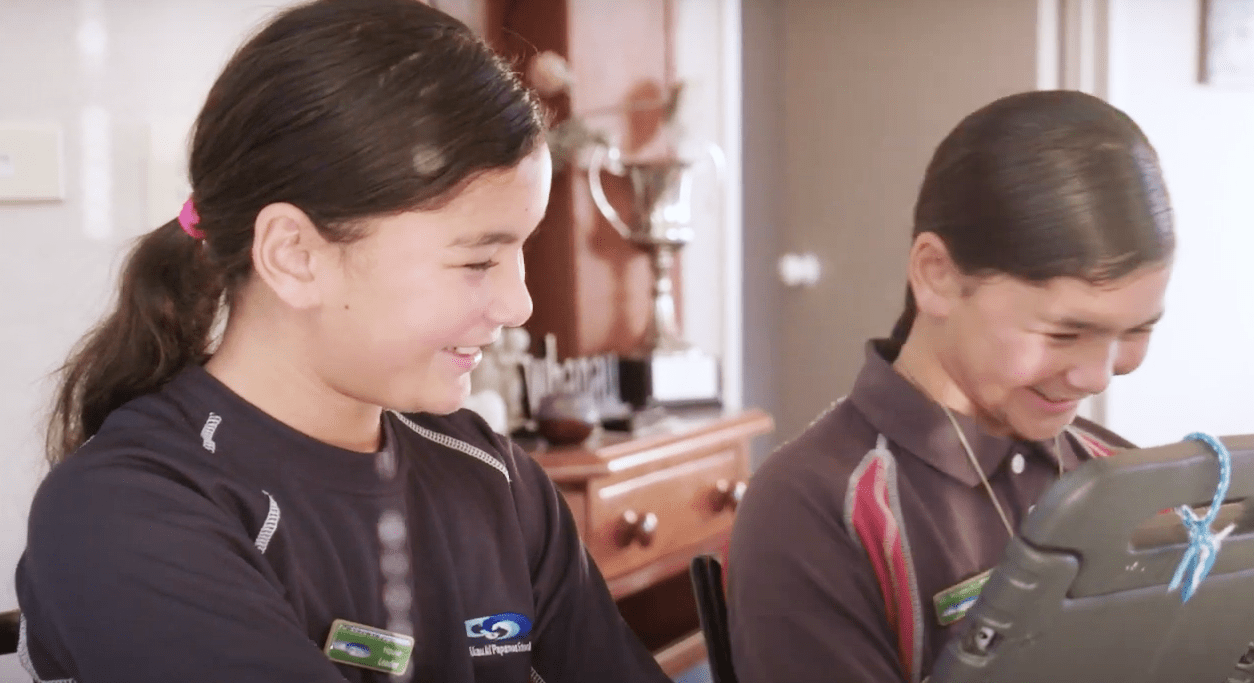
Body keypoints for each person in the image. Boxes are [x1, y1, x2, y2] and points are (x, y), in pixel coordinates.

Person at [15, 2, 671, 682]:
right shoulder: (127, 517)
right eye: (478, 260)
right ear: (295, 255)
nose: (519, 303)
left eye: (521, 251)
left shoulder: (495, 481)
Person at [727, 90, 1175, 683]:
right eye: (1065, 333)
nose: (1097, 376)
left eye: (1136, 330)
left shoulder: (1122, 476)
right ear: (936, 275)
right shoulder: (810, 511)